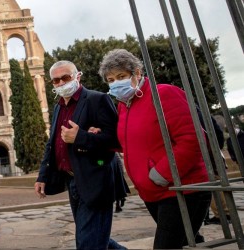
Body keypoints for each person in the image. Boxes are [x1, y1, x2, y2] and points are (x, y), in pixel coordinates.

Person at [98, 48, 211, 249]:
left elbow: (193, 139)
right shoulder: (124, 106)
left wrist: (161, 174)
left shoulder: (163, 94)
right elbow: (129, 143)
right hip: (153, 192)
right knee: (187, 242)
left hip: (181, 189)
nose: (116, 83)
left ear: (138, 73)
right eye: (110, 79)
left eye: (121, 76)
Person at [34, 60, 124, 249]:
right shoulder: (58, 107)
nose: (60, 83)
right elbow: (53, 144)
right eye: (55, 81)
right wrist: (43, 175)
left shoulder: (97, 99)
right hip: (73, 181)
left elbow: (117, 140)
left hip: (96, 179)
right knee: (92, 236)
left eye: (65, 78)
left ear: (77, 76)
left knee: (87, 242)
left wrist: (81, 137)